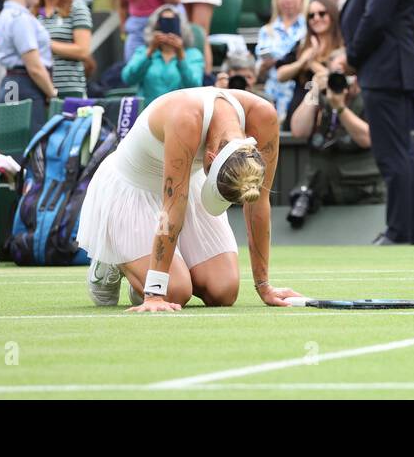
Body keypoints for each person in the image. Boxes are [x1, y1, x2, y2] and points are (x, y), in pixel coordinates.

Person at [79, 86, 299, 313]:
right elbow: (172, 208)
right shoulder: (185, 118)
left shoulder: (263, 115)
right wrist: (154, 293)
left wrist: (264, 286)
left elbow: (259, 203)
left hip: (186, 187)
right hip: (134, 189)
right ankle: (112, 258)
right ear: (211, 158)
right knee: (174, 292)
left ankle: (146, 270)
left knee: (223, 291)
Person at [338, 0, 414, 246]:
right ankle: (409, 231)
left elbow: (376, 17)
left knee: (392, 155)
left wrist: (353, 58)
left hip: (385, 68)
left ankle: (400, 232)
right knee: (401, 152)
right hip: (395, 68)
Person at [288, 49, 384, 213]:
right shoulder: (319, 97)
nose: (340, 79)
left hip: (362, 192)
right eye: (335, 73)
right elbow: (298, 131)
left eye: (346, 73)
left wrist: (340, 108)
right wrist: (314, 91)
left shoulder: (370, 96)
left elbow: (367, 138)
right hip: (322, 189)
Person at [0, 0, 56, 126]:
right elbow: (34, 67)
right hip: (27, 86)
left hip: (14, 84)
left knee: (13, 141)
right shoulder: (20, 18)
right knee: (29, 145)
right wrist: (52, 93)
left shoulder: (7, 14)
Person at [122, 5, 205, 101]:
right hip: (149, 112)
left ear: (181, 26)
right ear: (156, 25)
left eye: (173, 22)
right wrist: (150, 51)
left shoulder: (193, 55)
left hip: (181, 111)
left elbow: (195, 86)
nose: (168, 28)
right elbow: (128, 79)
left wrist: (181, 56)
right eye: (163, 22)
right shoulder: (143, 51)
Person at [37, 0, 92, 102]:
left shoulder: (77, 9)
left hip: (69, 89)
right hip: (38, 89)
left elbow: (83, 50)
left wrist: (47, 44)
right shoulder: (32, 13)